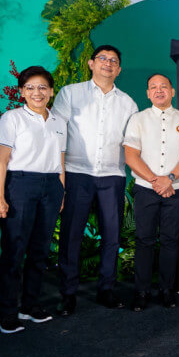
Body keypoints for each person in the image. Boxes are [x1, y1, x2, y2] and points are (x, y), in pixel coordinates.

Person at [52, 45, 138, 315]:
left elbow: (133, 143)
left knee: (112, 236)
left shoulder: (128, 103)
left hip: (112, 175)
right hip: (77, 172)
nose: (108, 64)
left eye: (114, 60)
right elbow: (56, 132)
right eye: (103, 59)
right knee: (71, 235)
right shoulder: (70, 93)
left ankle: (106, 289)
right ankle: (68, 294)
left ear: (119, 69)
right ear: (91, 63)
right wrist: (60, 173)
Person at [0, 66, 66, 334]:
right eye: (31, 87)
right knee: (14, 251)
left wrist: (61, 192)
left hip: (51, 186)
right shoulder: (12, 119)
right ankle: (7, 313)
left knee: (40, 251)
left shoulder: (58, 121)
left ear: (51, 92)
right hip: (20, 184)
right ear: (22, 92)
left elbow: (60, 160)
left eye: (43, 87)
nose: (37, 92)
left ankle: (30, 305)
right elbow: (1, 161)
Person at [124, 74, 179, 310]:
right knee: (144, 240)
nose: (159, 91)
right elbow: (130, 155)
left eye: (163, 87)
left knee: (170, 240)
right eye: (153, 88)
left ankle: (167, 290)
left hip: (177, 190)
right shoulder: (138, 119)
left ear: (172, 91)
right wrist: (156, 181)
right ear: (147, 93)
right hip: (146, 189)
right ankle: (142, 291)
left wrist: (170, 179)